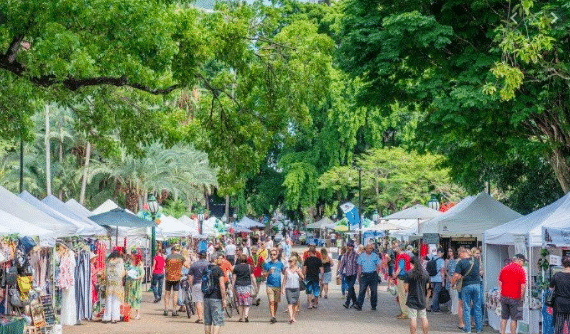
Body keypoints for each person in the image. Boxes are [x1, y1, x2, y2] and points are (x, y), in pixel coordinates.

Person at [452, 247, 482, 334]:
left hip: (466, 286)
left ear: (462, 253)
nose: (459, 256)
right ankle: (479, 329)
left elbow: (456, 275)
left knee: (467, 308)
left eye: (459, 254)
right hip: (477, 285)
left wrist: (452, 283)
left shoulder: (461, 262)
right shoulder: (475, 260)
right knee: (477, 307)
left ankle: (468, 329)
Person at [499, 254, 526, 334]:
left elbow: (500, 282)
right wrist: (522, 297)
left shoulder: (504, 268)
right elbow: (523, 286)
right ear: (519, 260)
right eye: (523, 262)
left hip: (504, 296)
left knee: (504, 318)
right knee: (514, 319)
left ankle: (502, 332)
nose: (523, 264)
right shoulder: (521, 270)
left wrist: (503, 291)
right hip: (515, 297)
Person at [405, 256, 430, 334]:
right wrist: (426, 296)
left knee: (413, 318)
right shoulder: (425, 273)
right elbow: (428, 287)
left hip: (412, 298)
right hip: (422, 298)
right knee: (424, 317)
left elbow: (406, 287)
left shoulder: (409, 273)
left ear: (412, 263)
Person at [354, 244, 382, 311]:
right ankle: (359, 305)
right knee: (362, 290)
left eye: (371, 248)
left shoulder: (375, 256)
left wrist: (377, 274)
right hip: (364, 275)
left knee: (374, 291)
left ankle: (373, 305)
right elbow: (359, 266)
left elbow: (378, 265)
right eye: (369, 248)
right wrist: (359, 275)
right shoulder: (361, 256)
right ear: (366, 249)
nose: (371, 250)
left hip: (373, 274)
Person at [203, 256, 226, 334]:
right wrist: (224, 299)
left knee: (207, 321)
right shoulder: (219, 270)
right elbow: (222, 286)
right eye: (220, 259)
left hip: (206, 297)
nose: (221, 260)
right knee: (217, 321)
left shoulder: (206, 269)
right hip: (216, 297)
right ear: (216, 260)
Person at [102, 250, 125, 323]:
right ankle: (115, 317)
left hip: (109, 284)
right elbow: (122, 271)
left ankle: (107, 317)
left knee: (108, 301)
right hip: (117, 283)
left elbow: (105, 272)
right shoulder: (120, 261)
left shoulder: (108, 261)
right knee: (116, 301)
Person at [232, 254, 256, 322]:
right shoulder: (249, 267)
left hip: (238, 286)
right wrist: (255, 286)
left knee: (240, 302)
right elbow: (252, 277)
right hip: (247, 286)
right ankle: (246, 315)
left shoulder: (236, 267)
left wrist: (232, 286)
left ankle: (240, 317)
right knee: (247, 302)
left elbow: (234, 278)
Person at [263, 248, 285, 323]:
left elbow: (284, 273)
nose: (272, 256)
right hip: (269, 285)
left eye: (274, 254)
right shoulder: (267, 264)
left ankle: (274, 315)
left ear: (277, 255)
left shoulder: (280, 264)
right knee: (271, 302)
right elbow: (264, 275)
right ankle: (272, 316)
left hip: (278, 285)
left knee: (276, 302)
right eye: (271, 254)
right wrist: (269, 272)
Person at [550, 256, 570, 334]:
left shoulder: (557, 275)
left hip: (559, 305)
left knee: (558, 328)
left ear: (562, 264)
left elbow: (551, 288)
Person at [164, 245, 185, 317]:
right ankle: (174, 310)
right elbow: (185, 265)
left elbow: (166, 266)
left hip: (169, 277)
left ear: (172, 250)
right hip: (177, 278)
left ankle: (166, 309)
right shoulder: (181, 257)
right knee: (175, 294)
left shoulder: (168, 257)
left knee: (167, 294)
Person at [189, 251, 210, 323]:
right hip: (207, 284)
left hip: (197, 284)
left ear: (199, 256)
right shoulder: (209, 264)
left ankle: (200, 318)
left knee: (199, 301)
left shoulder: (194, 264)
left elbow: (190, 276)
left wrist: (191, 285)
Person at [282, 256, 304, 324]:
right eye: (289, 261)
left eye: (291, 261)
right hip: (288, 288)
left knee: (295, 304)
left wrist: (299, 272)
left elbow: (303, 277)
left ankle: (294, 317)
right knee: (290, 303)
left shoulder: (298, 269)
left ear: (295, 262)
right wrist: (283, 288)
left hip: (296, 288)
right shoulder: (287, 270)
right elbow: (285, 279)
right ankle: (291, 317)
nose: (289, 263)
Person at [446, 247, 463, 329]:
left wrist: (452, 279)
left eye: (451, 251)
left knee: (454, 294)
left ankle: (454, 310)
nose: (449, 252)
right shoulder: (448, 260)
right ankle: (453, 309)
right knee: (452, 294)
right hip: (450, 279)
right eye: (448, 251)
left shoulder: (456, 261)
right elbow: (447, 270)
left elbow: (454, 271)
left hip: (454, 279)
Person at [393, 245, 411, 319]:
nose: (395, 249)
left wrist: (395, 275)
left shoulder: (401, 257)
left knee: (402, 296)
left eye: (396, 247)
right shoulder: (406, 256)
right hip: (405, 278)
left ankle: (404, 313)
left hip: (401, 278)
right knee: (403, 296)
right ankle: (403, 312)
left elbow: (400, 268)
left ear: (399, 249)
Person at [338, 241, 358, 308]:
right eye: (349, 246)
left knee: (350, 288)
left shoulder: (356, 255)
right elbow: (342, 265)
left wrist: (359, 274)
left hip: (353, 274)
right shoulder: (345, 255)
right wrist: (340, 273)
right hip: (347, 274)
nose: (350, 248)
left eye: (351, 246)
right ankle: (355, 302)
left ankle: (347, 303)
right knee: (351, 288)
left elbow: (358, 265)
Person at [125, 250, 144, 320]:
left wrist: (137, 277)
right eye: (132, 254)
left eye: (133, 254)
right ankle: (128, 314)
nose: (132, 255)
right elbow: (125, 268)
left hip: (136, 284)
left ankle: (138, 314)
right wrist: (126, 272)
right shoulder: (128, 261)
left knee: (136, 298)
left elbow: (142, 274)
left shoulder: (139, 263)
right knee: (128, 298)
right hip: (129, 282)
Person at [427, 248, 445, 313]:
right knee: (436, 294)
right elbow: (442, 271)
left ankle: (435, 306)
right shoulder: (441, 260)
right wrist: (443, 281)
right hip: (438, 279)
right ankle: (435, 308)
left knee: (434, 293)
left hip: (432, 278)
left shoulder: (432, 258)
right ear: (441, 253)